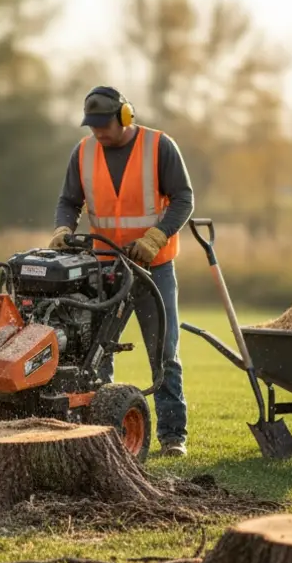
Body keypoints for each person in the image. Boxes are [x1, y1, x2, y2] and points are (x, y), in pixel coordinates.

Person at [50, 85, 195, 457]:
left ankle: (172, 436)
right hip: (101, 266)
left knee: (163, 350)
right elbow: (69, 200)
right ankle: (102, 430)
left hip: (152, 267)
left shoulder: (159, 146)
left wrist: (157, 236)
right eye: (92, 126)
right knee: (93, 351)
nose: (97, 132)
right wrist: (64, 228)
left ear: (125, 117)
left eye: (103, 125)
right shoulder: (83, 153)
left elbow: (183, 198)